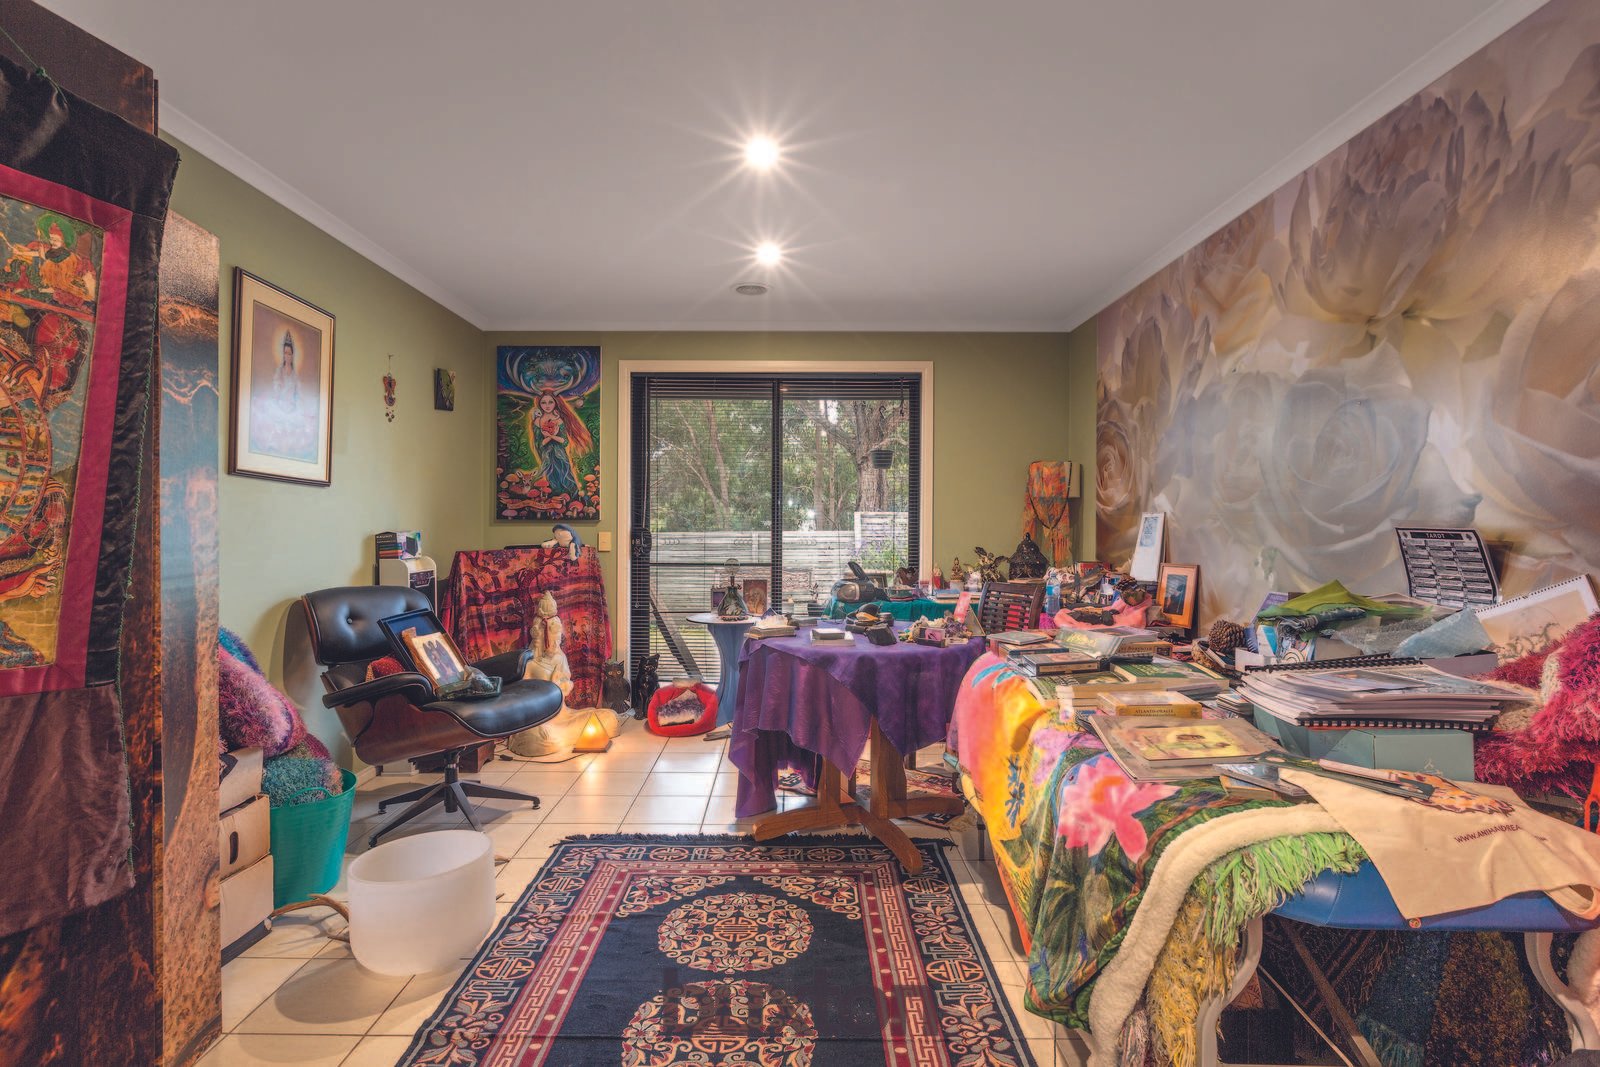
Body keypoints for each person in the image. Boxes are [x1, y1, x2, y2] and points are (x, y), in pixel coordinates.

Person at [529, 389, 592, 499]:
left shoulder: (559, 420)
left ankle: (573, 499)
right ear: (539, 404)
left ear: (555, 403)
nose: (547, 406)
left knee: (567, 478)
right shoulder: (537, 421)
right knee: (551, 480)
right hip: (547, 457)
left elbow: (565, 441)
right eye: (543, 402)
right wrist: (549, 437)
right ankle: (555, 501)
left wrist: (552, 436)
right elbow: (539, 444)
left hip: (561, 456)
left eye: (550, 402)